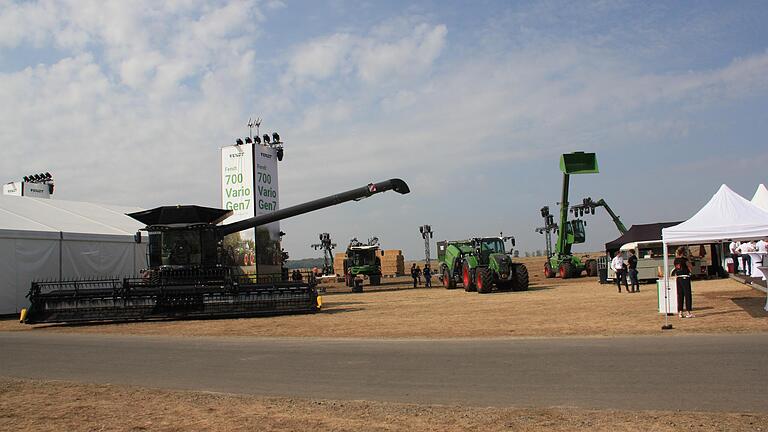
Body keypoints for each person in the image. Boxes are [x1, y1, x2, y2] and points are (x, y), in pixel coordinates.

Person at [672, 246, 694, 318]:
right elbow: (690, 267)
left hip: (678, 278)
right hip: (685, 277)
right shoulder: (684, 260)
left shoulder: (675, 260)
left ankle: (680, 312)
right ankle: (688, 312)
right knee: (687, 295)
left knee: (680, 295)